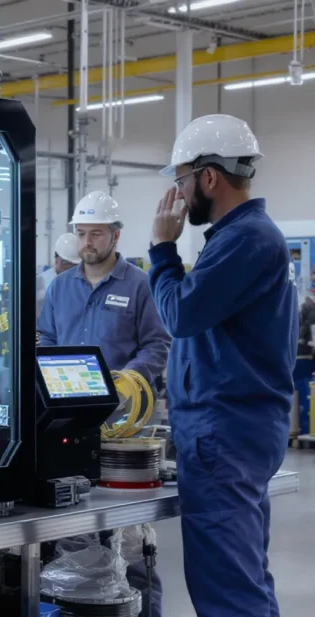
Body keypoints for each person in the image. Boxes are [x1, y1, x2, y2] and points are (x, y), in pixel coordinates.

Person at [148, 114, 297, 617]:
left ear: (208, 176)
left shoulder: (246, 239)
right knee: (243, 575)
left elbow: (181, 314)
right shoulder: (245, 238)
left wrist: (162, 250)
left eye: (182, 181)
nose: (179, 194)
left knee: (227, 590)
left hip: (224, 432)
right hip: (233, 428)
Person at [37, 190, 171, 615]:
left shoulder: (140, 284)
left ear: (115, 235)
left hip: (123, 427)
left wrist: (129, 380)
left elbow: (157, 343)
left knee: (131, 540)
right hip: (69, 421)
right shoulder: (60, 287)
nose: (87, 242)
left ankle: (144, 610)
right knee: (74, 531)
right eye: (81, 233)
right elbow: (46, 340)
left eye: (96, 233)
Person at [36, 232, 81, 318]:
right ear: (57, 260)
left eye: (75, 266)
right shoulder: (40, 283)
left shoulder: (79, 283)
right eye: (66, 264)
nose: (70, 270)